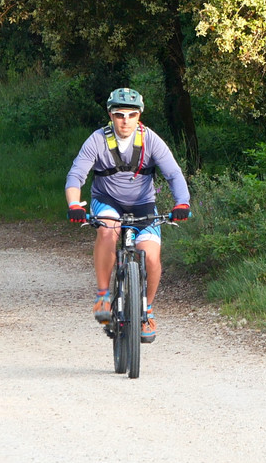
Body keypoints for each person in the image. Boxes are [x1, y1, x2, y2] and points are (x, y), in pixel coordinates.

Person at [64, 87, 192, 342]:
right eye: (119, 114)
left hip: (143, 204)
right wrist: (74, 204)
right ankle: (103, 296)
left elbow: (174, 174)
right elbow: (76, 175)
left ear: (139, 116)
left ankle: (147, 310)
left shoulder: (150, 140)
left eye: (131, 115)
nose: (125, 120)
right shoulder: (97, 140)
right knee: (108, 230)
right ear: (110, 115)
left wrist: (182, 203)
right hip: (107, 201)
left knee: (152, 257)